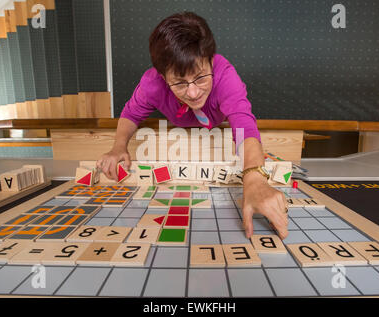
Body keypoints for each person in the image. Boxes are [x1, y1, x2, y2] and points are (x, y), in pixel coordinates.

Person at [97, 12, 288, 239]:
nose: (193, 92)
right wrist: (119, 146)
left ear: (211, 61)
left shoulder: (226, 76)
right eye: (179, 83)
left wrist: (255, 180)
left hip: (217, 125)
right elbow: (131, 114)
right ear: (162, 76)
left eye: (200, 77)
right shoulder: (152, 83)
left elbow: (243, 125)